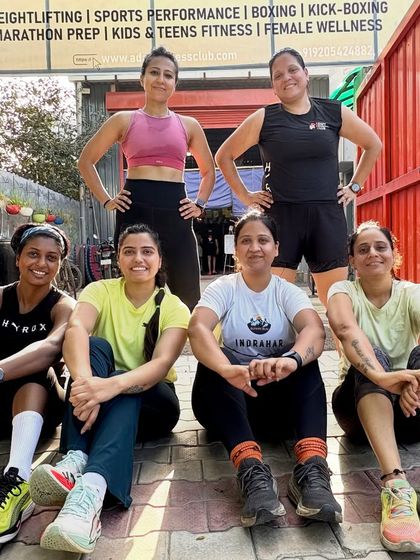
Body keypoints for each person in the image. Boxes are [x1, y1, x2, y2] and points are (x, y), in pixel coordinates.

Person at [29, 224, 190, 554]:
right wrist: (87, 385)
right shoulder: (100, 290)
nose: (138, 258)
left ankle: (90, 492)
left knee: (127, 386)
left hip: (156, 405)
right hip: (96, 400)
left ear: (159, 260)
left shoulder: (174, 307)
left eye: (147, 252)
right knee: (93, 345)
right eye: (129, 251)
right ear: (118, 259)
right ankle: (79, 466)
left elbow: (160, 365)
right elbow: (76, 328)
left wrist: (108, 387)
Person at [189, 210, 342, 527]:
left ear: (276, 248)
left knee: (305, 362)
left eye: (263, 240)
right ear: (236, 249)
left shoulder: (287, 291)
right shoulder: (224, 288)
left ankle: (313, 470)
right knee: (216, 360)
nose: (255, 248)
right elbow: (198, 328)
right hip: (228, 404)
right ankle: (251, 471)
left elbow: (314, 330)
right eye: (246, 241)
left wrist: (290, 360)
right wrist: (227, 369)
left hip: (278, 410)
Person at [215, 47, 382, 309]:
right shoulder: (264, 118)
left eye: (292, 70)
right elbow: (224, 156)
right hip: (281, 219)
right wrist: (245, 196)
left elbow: (373, 144)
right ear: (273, 86)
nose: (287, 78)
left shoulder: (333, 112)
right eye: (278, 75)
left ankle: (342, 339)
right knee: (275, 304)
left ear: (306, 74)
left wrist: (355, 186)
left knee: (337, 304)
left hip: (326, 218)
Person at [78, 46, 215, 310]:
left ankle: (181, 336)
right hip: (135, 207)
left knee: (187, 294)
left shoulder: (189, 125)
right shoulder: (123, 120)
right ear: (142, 78)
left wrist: (200, 204)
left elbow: (209, 171)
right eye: (154, 72)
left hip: (176, 210)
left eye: (168, 75)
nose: (161, 80)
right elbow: (86, 161)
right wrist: (107, 200)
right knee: (136, 291)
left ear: (174, 83)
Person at [327, 221, 420, 552]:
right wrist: (383, 378)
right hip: (357, 411)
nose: (373, 254)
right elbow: (345, 330)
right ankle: (396, 486)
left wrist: (412, 381)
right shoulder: (343, 291)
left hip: (410, 408)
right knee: (371, 356)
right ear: (352, 260)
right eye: (363, 249)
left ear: (394, 253)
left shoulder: (411, 293)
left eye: (381, 247)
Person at [0, 223, 75, 543]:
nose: (41, 263)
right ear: (18, 258)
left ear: (59, 263)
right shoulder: (2, 297)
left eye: (51, 257)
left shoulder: (64, 305)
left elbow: (50, 348)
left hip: (40, 406)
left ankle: (18, 477)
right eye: (33, 254)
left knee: (35, 368)